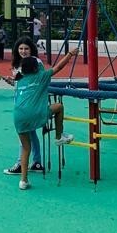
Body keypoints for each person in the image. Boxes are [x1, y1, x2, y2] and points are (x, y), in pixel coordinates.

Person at [12, 48, 76, 191]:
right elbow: (58, 67)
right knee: (59, 107)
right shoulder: (42, 76)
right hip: (35, 113)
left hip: (18, 116)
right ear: (36, 68)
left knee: (25, 148)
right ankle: (59, 136)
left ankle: (23, 180)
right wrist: (70, 54)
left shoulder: (19, 80)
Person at [1, 36, 46, 176]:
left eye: (26, 48)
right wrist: (12, 82)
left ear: (31, 49)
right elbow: (22, 84)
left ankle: (20, 164)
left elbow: (38, 81)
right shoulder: (18, 64)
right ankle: (37, 162)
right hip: (21, 102)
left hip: (29, 105)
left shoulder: (35, 62)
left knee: (24, 134)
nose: (23, 51)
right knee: (31, 133)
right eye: (21, 48)